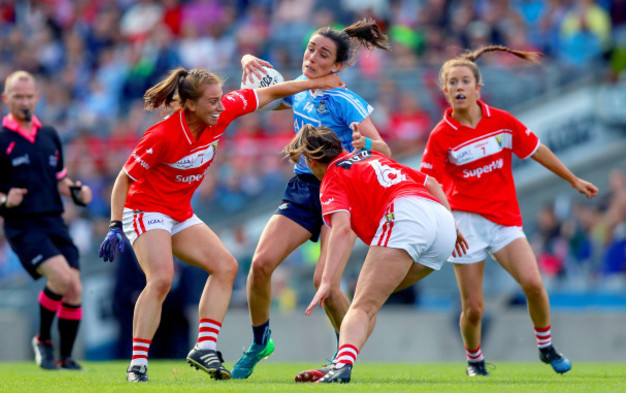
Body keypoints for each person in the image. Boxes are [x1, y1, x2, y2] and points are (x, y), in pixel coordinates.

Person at [98, 67, 344, 383]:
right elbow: (124, 179)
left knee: (225, 266)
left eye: (220, 99)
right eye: (212, 101)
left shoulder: (222, 112)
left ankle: (205, 346)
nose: (220, 106)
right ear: (190, 105)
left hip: (179, 212)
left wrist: (316, 82)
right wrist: (115, 225)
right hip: (145, 210)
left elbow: (269, 93)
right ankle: (138, 365)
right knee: (161, 278)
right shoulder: (162, 135)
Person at [420, 45, 599, 376]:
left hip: (503, 220)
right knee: (473, 309)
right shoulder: (441, 136)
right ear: (445, 91)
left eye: (464, 81)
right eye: (452, 83)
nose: (459, 88)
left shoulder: (501, 122)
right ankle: (475, 360)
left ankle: (546, 347)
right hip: (464, 223)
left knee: (533, 283)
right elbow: (430, 184)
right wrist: (448, 225)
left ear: (478, 87)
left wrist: (573, 179)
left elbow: (536, 149)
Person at [233, 18, 392, 382]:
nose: (313, 57)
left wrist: (362, 146)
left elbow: (384, 149)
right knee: (260, 264)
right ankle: (260, 342)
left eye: (323, 55)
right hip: (305, 186)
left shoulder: (345, 100)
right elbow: (264, 100)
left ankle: (343, 354)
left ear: (337, 65)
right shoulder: (301, 91)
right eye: (310, 49)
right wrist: (246, 59)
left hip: (341, 187)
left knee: (327, 281)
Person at [285, 124, 467, 383]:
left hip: (406, 216)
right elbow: (432, 182)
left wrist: (327, 280)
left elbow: (341, 230)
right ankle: (340, 362)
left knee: (360, 306)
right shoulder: (370, 156)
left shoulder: (332, 177)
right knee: (368, 302)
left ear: (312, 161)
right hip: (441, 224)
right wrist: (453, 225)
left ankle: (341, 366)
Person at [0, 71, 92, 370]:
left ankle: (66, 358)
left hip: (54, 220)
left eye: (29, 96)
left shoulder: (49, 135)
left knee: (75, 288)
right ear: (6, 99)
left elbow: (60, 179)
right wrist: (3, 199)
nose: (24, 101)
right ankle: (42, 341)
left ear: (37, 97)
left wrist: (77, 192)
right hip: (22, 224)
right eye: (18, 96)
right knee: (61, 278)